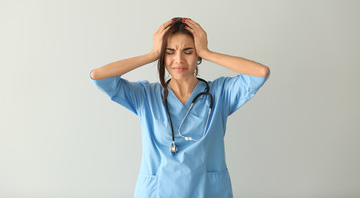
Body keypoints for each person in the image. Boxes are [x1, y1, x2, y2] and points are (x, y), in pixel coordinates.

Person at [89, 17, 270, 198]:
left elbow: (260, 73)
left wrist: (207, 52)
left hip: (207, 192)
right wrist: (152, 55)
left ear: (197, 54)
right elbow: (98, 77)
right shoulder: (145, 96)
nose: (179, 59)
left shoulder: (220, 93)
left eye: (188, 51)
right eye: (170, 52)